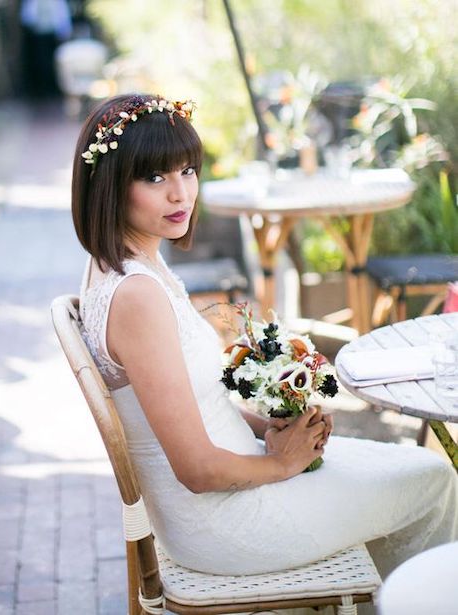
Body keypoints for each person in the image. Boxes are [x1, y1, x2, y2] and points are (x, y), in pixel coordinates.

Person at [73, 93, 457, 590]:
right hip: (223, 522)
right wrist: (280, 463)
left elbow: (187, 406)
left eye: (187, 171)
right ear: (109, 185)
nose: (180, 194)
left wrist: (266, 425)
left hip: (234, 482)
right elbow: (196, 469)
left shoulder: (131, 266)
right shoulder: (137, 298)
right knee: (433, 480)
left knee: (417, 468)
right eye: (154, 178)